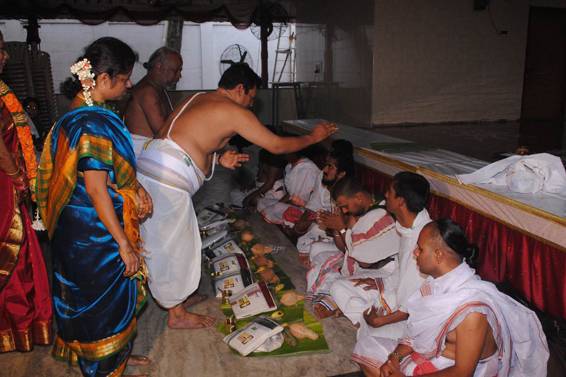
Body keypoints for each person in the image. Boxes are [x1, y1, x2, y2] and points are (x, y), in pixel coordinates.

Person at [136, 63, 336, 329]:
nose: (251, 105)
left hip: (154, 169)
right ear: (240, 88)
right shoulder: (232, 110)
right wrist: (313, 137)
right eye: (251, 97)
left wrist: (218, 159)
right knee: (173, 246)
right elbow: (275, 145)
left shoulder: (197, 98)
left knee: (179, 241)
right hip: (166, 181)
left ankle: (179, 299)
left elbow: (187, 140)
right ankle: (176, 314)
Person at [37, 37, 153, 377]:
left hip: (79, 228)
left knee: (99, 299)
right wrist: (123, 243)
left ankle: (115, 355)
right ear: (104, 79)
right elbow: (97, 189)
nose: (130, 83)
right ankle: (104, 367)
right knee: (104, 303)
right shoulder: (91, 124)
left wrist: (137, 186)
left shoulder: (77, 114)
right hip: (95, 234)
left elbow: (105, 172)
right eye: (125, 77)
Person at [364, 219, 549, 377]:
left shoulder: (472, 311)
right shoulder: (434, 285)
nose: (415, 253)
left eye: (420, 249)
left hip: (461, 371)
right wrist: (395, 359)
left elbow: (462, 372)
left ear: (438, 255)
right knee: (367, 346)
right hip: (433, 356)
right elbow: (414, 334)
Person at [0, 30, 53, 353]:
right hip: (5, 185)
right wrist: (18, 177)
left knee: (23, 256)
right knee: (15, 258)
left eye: (4, 49)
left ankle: (18, 325)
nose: (4, 56)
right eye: (0, 50)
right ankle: (14, 323)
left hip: (10, 181)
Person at [349, 171, 431, 352]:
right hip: (396, 296)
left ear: (401, 201)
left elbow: (418, 302)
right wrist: (380, 282)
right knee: (342, 288)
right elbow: (401, 271)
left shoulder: (424, 238)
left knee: (366, 336)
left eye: (390, 191)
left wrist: (383, 320)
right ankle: (365, 316)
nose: (385, 195)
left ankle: (367, 321)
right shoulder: (408, 227)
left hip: (415, 318)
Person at [305, 178, 400, 319]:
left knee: (338, 285)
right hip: (361, 264)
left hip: (384, 271)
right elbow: (345, 248)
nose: (344, 210)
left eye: (344, 206)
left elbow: (364, 261)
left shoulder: (378, 215)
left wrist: (342, 228)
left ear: (359, 198)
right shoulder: (360, 210)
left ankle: (341, 305)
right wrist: (335, 228)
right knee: (318, 252)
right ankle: (337, 301)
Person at [124, 47, 182, 156]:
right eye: (175, 70)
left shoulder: (158, 89)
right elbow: (163, 132)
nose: (179, 76)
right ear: (159, 67)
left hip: (152, 152)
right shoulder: (147, 92)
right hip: (143, 156)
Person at [259, 148, 323, 226]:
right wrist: (277, 205)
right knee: (261, 202)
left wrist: (276, 206)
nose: (281, 154)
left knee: (272, 209)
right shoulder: (290, 166)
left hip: (307, 211)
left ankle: (287, 224)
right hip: (296, 204)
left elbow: (299, 200)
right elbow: (290, 194)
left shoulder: (306, 169)